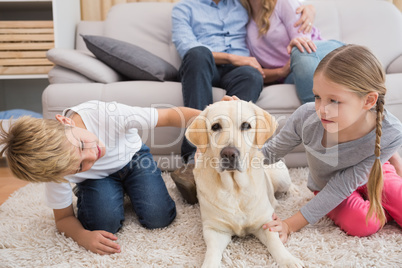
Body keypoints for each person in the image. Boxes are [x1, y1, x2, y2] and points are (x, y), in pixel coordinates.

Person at [0, 100, 201, 255]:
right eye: (79, 166)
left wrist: (213, 121)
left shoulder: (106, 114)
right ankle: (111, 191)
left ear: (65, 121)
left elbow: (170, 116)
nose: (92, 155)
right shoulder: (55, 170)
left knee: (159, 217)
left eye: (80, 145)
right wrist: (83, 236)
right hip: (96, 180)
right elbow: (63, 218)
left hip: (134, 159)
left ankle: (131, 187)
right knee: (101, 225)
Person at [170, 0, 315, 203]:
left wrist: (309, 8)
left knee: (252, 75)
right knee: (197, 53)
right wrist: (234, 58)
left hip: (240, 71)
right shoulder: (184, 8)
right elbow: (187, 47)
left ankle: (237, 155)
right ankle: (196, 157)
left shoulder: (241, 5)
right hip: (203, 65)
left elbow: (273, 7)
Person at [261, 45, 402, 242]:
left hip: (374, 173)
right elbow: (269, 153)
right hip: (329, 184)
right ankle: (383, 207)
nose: (322, 109)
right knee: (365, 223)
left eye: (334, 101)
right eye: (317, 97)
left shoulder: (392, 131)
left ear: (369, 101)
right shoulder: (306, 118)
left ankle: (384, 197)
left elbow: (363, 173)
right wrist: (289, 224)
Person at [241, 0, 345, 104]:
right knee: (298, 75)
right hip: (292, 73)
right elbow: (255, 70)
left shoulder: (283, 3)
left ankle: (317, 115)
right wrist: (280, 71)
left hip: (321, 55)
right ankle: (322, 114)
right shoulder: (241, 19)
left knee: (299, 51)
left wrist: (311, 9)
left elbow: (304, 45)